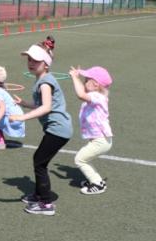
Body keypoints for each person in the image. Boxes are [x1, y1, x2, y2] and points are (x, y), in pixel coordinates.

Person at [9, 37, 72, 216]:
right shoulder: (42, 80)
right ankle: (38, 195)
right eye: (29, 59)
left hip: (58, 130)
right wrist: (25, 103)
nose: (31, 63)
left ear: (46, 64)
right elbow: (41, 105)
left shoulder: (45, 82)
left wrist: (22, 117)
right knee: (39, 160)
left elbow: (46, 107)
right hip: (57, 129)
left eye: (35, 60)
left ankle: (46, 204)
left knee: (40, 162)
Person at [69, 65, 114, 195]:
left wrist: (74, 77)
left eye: (87, 79)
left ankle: (97, 184)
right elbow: (83, 92)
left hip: (101, 141)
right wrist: (78, 77)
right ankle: (96, 180)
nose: (84, 81)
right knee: (84, 159)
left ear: (95, 85)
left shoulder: (98, 97)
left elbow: (80, 94)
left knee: (79, 159)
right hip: (99, 140)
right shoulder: (94, 96)